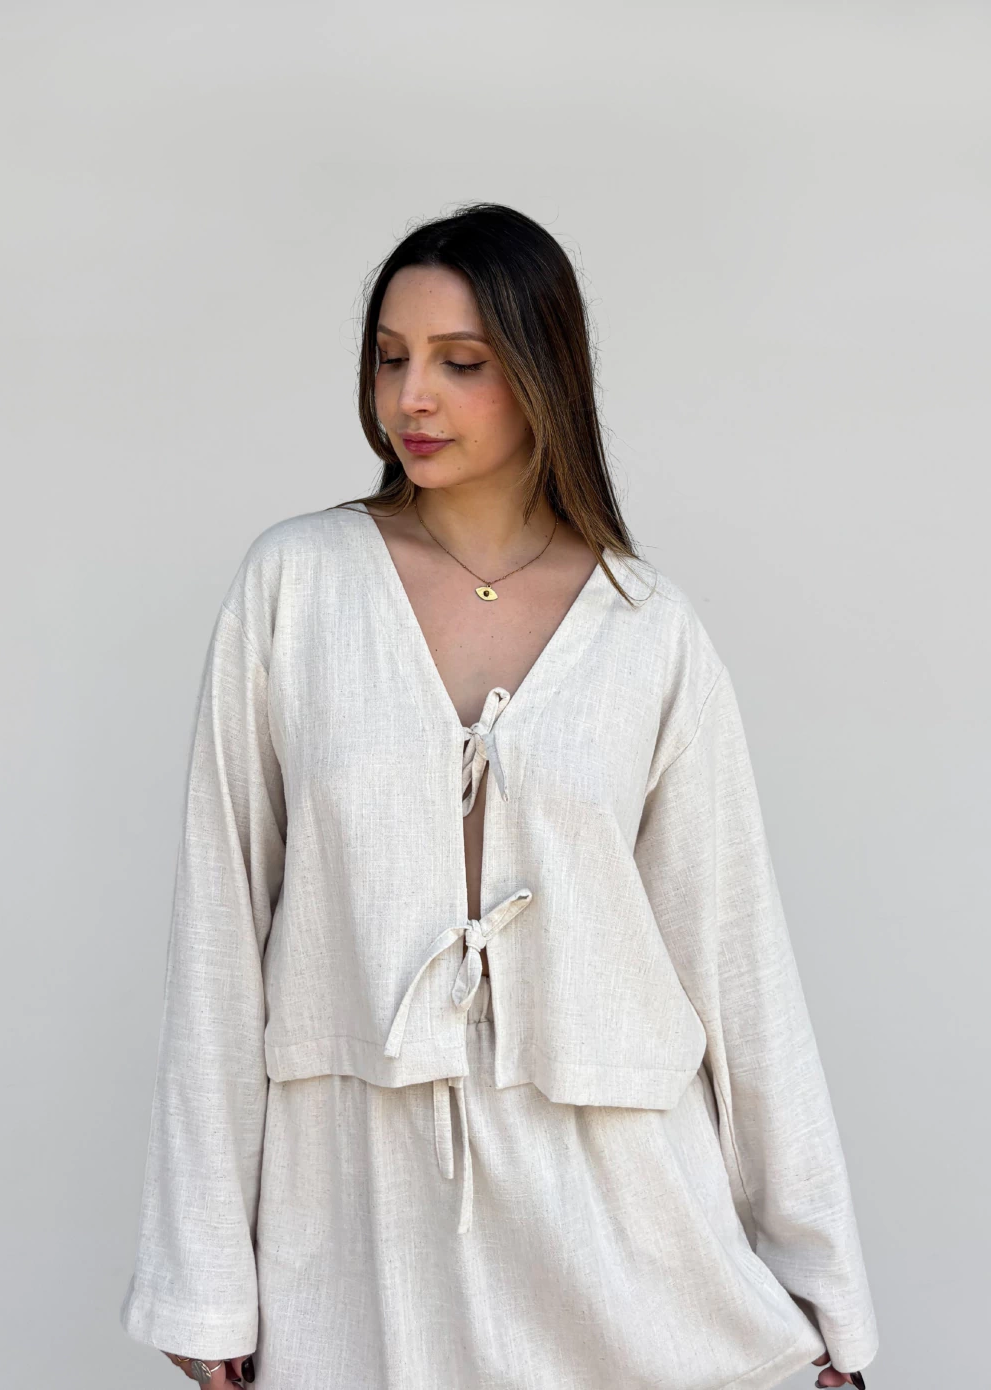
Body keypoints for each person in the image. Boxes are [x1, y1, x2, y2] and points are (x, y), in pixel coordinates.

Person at [120, 202, 878, 1390]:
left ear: (541, 371)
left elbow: (734, 962)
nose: (409, 397)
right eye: (390, 357)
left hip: (621, 1227)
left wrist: (823, 1283)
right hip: (360, 1232)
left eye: (459, 363)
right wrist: (201, 1272)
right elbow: (219, 940)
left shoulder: (646, 629)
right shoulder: (295, 588)